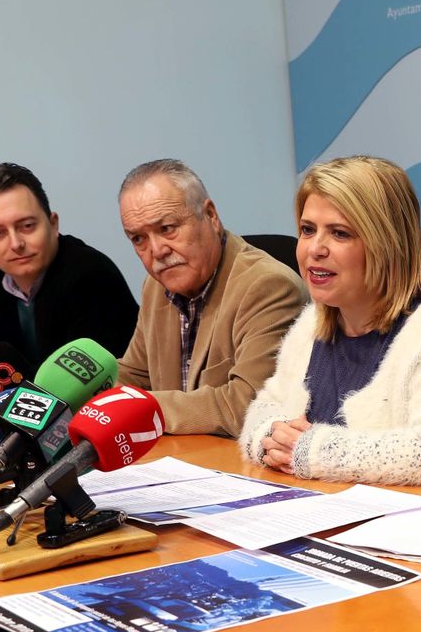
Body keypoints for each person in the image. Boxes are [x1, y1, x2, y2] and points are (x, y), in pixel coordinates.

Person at [239, 155, 421, 487]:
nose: (315, 248)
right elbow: (265, 407)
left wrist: (309, 449)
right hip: (342, 517)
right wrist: (268, 437)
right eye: (307, 230)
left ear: (386, 243)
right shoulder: (311, 322)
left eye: (340, 233)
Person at [117, 159, 304, 436]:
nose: (156, 250)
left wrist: (139, 408)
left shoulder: (269, 287)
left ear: (211, 216)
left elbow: (246, 406)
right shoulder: (155, 288)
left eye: (167, 228)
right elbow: (134, 376)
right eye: (138, 239)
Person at [0, 162, 135, 393]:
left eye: (27, 226)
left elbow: (70, 384)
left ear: (53, 223)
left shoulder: (91, 274)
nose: (16, 244)